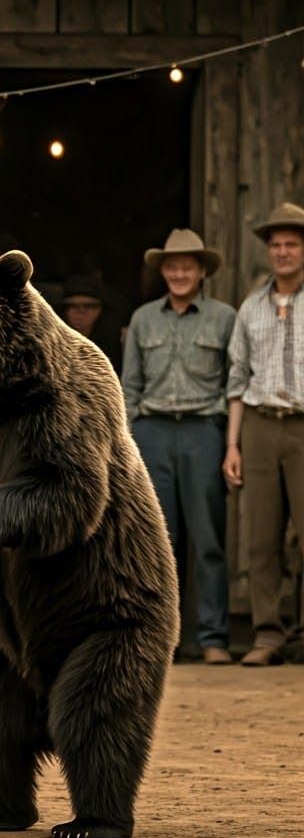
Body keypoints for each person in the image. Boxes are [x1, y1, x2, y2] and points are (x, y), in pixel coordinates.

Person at [122, 229, 236, 664]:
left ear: (202, 270)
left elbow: (233, 381)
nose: (180, 273)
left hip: (203, 430)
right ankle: (157, 641)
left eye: (188, 265)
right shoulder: (143, 320)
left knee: (208, 538)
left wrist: (226, 439)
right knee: (156, 541)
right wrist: (129, 442)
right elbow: (129, 386)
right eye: (172, 266)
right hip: (151, 432)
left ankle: (212, 638)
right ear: (162, 271)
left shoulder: (224, 319)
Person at [224, 201, 304, 666]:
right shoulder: (251, 307)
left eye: (292, 243)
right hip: (257, 424)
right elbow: (237, 378)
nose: (284, 252)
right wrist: (233, 444)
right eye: (276, 245)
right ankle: (267, 635)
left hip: (302, 424)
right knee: (260, 536)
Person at [59, 273, 125, 372]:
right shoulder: (52, 340)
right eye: (72, 306)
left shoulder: (117, 340)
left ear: (101, 309)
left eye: (89, 306)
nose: (80, 312)